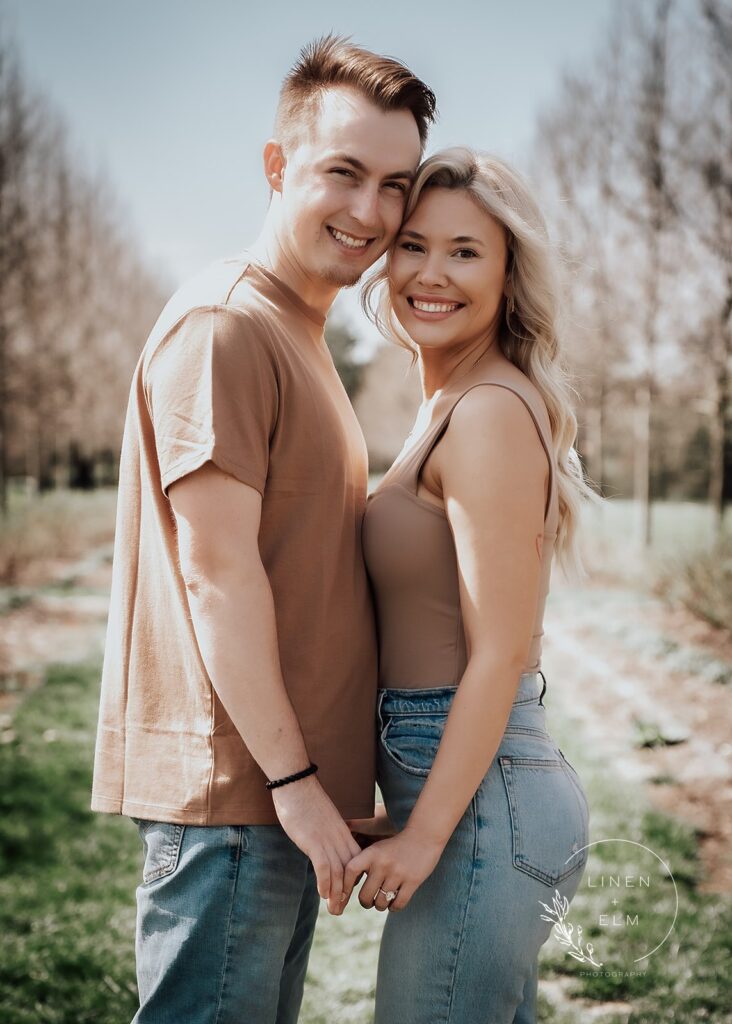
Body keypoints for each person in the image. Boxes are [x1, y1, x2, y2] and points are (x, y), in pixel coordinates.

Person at [90, 35, 435, 1024]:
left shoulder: (296, 331)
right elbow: (218, 575)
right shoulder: (226, 327)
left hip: (283, 803)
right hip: (241, 800)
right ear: (278, 166)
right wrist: (289, 778)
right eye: (343, 172)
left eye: (395, 184)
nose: (370, 211)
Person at [344, 148, 599, 1024]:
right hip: (476, 797)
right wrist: (406, 804)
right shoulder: (451, 400)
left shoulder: (488, 410)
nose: (431, 273)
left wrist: (426, 831)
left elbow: (497, 654)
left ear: (507, 273)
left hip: (488, 811)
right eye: (413, 245)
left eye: (465, 251)